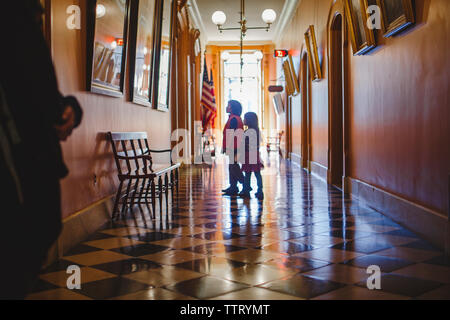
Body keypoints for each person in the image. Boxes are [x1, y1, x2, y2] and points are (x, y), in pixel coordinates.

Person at [0, 0, 83, 299]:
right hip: (20, 170)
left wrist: (69, 109)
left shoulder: (19, 20)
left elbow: (42, 90)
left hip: (35, 164)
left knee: (34, 242)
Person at [240, 112, 264, 200]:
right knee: (257, 173)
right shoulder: (256, 130)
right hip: (254, 153)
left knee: (247, 173)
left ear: (249, 120)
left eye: (245, 118)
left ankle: (246, 190)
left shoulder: (248, 131)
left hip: (248, 154)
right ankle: (260, 191)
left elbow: (245, 144)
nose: (243, 120)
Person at [222, 100, 244, 196]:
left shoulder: (234, 119)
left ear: (232, 108)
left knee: (234, 167)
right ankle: (233, 187)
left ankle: (245, 183)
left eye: (228, 105)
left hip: (234, 147)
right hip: (235, 146)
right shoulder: (234, 118)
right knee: (232, 167)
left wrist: (227, 147)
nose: (227, 107)